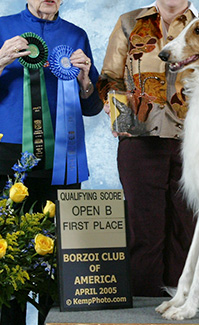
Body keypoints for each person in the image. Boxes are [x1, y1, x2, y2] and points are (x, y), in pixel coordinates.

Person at [0, 0, 102, 324]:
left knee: (60, 258)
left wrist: (86, 82)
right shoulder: (2, 28)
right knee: (9, 253)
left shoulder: (76, 35)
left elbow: (93, 106)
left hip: (64, 160)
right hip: (9, 156)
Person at [97, 0, 199, 297]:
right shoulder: (130, 22)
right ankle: (142, 304)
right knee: (144, 230)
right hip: (139, 139)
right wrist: (115, 107)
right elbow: (110, 78)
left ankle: (182, 301)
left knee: (188, 229)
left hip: (193, 143)